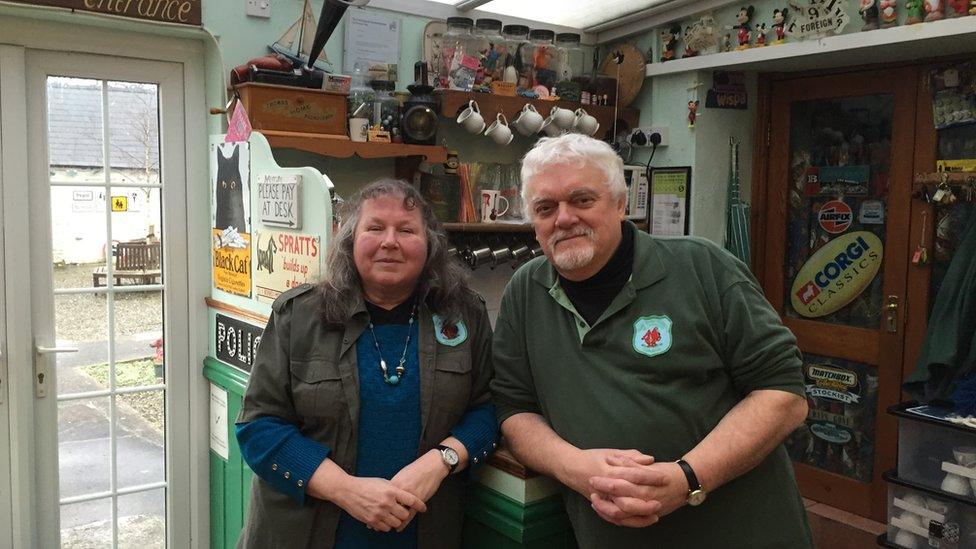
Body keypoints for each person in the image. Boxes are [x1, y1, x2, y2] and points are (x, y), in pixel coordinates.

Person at [490, 134, 813, 548]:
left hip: (742, 532)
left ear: (621, 204)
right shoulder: (525, 292)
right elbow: (514, 408)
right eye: (546, 208)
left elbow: (783, 393)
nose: (564, 218)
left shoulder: (702, 268)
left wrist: (688, 477)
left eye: (582, 200)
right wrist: (576, 467)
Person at [236, 179, 497, 548]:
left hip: (426, 530)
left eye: (406, 230)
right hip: (306, 533)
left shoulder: (464, 314)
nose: (390, 241)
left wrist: (442, 461)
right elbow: (259, 426)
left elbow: (487, 409)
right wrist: (347, 491)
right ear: (350, 241)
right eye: (375, 228)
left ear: (430, 245)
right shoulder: (299, 315)